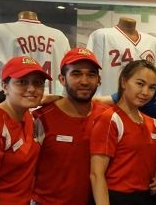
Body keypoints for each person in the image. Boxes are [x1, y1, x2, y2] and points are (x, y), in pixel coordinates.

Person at [31, 47, 109, 205]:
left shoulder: (108, 116)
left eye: (91, 74)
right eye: (76, 73)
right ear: (62, 79)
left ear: (99, 80)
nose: (85, 81)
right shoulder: (41, 118)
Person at [89, 60, 156, 205]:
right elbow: (96, 175)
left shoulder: (153, 124)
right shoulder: (110, 119)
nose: (145, 92)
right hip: (115, 198)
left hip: (146, 198)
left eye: (152, 87)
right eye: (140, 84)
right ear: (124, 82)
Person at [0, 56, 52, 205]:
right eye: (22, 82)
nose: (32, 88)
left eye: (37, 83)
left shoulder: (26, 114)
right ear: (4, 86)